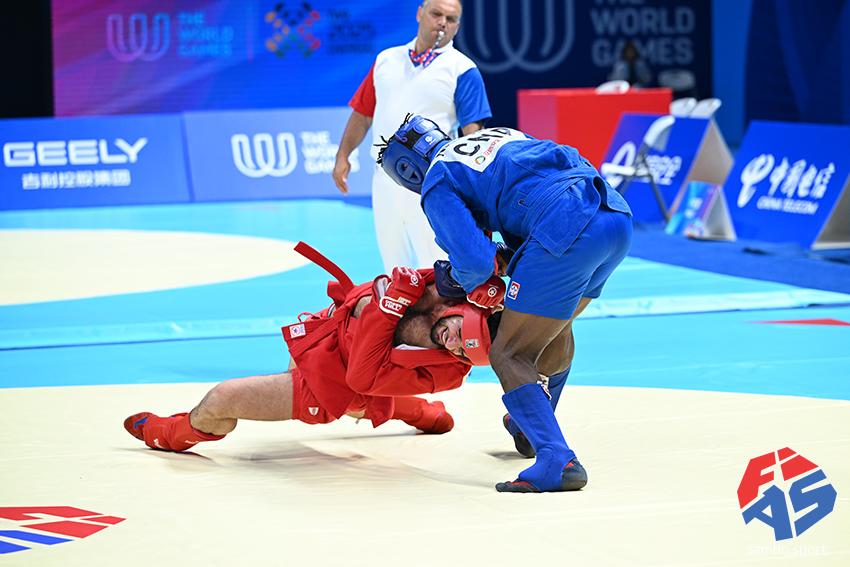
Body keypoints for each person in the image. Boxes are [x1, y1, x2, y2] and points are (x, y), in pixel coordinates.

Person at [378, 116, 634, 493]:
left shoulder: (437, 178)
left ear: (406, 171)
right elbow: (535, 188)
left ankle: (556, 459)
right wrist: (508, 256)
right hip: (613, 217)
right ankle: (530, 427)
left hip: (565, 230)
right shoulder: (497, 136)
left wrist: (459, 281)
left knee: (509, 353)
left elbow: (475, 263)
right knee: (554, 329)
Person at [124, 243, 496, 453]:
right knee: (368, 391)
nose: (454, 347)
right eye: (459, 335)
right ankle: (422, 413)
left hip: (339, 383)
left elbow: (362, 378)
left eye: (464, 353)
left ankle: (169, 434)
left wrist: (389, 306)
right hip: (328, 332)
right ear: (464, 309)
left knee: (223, 398)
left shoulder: (448, 371)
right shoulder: (450, 288)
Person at [332, 0, 491, 275]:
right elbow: (363, 114)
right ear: (420, 13)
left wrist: (474, 185)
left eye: (451, 19)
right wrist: (343, 155)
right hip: (384, 181)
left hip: (431, 184)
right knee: (394, 268)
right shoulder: (386, 60)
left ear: (457, 26)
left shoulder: (463, 69)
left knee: (436, 267)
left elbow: (472, 133)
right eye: (436, 14)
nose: (442, 23)